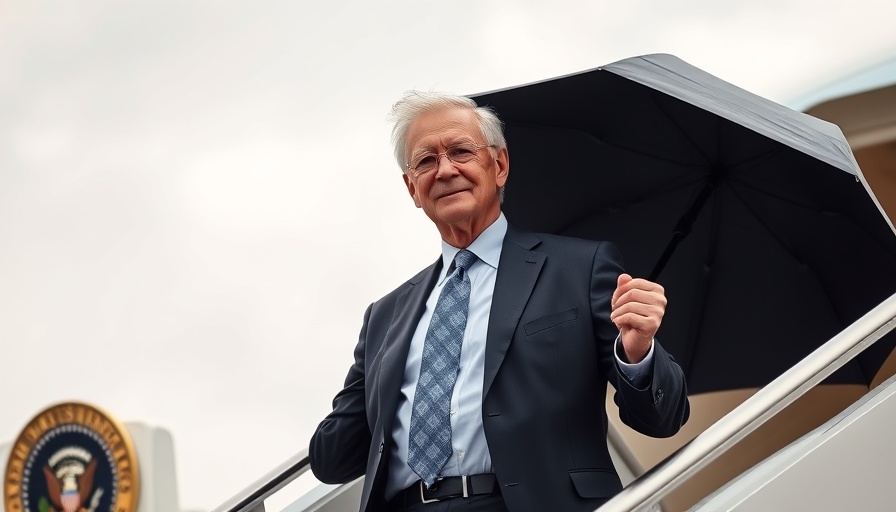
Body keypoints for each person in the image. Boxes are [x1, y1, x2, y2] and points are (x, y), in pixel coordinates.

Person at [309, 91, 690, 512]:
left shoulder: (579, 267)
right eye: (426, 161)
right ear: (412, 188)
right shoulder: (385, 316)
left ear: (500, 165)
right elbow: (331, 459)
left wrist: (637, 353)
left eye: (460, 151)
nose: (445, 170)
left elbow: (663, 419)